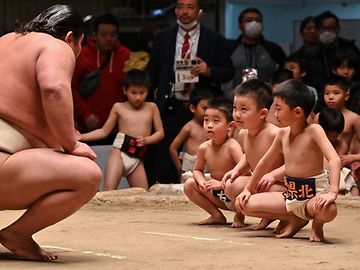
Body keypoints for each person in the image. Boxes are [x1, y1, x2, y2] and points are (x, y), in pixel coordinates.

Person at [0, 5, 102, 261]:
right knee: (87, 174)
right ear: (70, 37)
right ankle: (16, 234)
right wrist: (71, 143)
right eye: (80, 45)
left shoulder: (4, 42)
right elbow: (54, 88)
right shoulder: (55, 46)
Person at [236, 79, 341, 242]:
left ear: (297, 112)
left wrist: (333, 192)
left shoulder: (314, 130)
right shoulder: (282, 134)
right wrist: (247, 189)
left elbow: (334, 159)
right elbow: (264, 163)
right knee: (244, 204)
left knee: (329, 209)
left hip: (313, 196)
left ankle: (317, 225)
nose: (275, 114)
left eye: (278, 109)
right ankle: (296, 219)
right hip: (289, 195)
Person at [146, 0, 234, 185]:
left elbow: (228, 71)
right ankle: (165, 195)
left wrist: (209, 70)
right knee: (165, 155)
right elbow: (151, 73)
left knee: (203, 151)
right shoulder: (164, 37)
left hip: (203, 108)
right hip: (171, 105)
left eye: (190, 7)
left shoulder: (214, 38)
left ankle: (202, 188)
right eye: (180, 6)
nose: (184, 11)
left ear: (200, 12)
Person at [79, 69, 164, 190]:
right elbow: (104, 131)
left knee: (143, 195)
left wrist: (147, 140)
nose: (138, 97)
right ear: (125, 90)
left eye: (142, 92)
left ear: (148, 90)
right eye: (133, 92)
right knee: (109, 190)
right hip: (119, 153)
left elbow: (160, 133)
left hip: (137, 157)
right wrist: (82, 137)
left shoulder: (152, 107)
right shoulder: (119, 107)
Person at [222, 79, 285, 229]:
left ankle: (286, 216)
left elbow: (294, 162)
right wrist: (236, 170)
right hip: (259, 183)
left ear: (262, 113)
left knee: (261, 191)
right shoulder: (244, 133)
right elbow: (249, 156)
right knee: (231, 186)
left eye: (243, 109)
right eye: (235, 108)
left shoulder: (275, 133)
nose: (236, 114)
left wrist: (273, 176)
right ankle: (268, 216)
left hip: (282, 186)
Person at [184, 97, 243, 225]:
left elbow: (246, 174)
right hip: (218, 195)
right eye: (206, 120)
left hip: (236, 195)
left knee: (236, 185)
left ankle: (239, 217)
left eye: (216, 121)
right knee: (189, 184)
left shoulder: (233, 146)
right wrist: (201, 182)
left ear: (230, 126)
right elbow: (197, 170)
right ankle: (216, 215)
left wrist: (223, 184)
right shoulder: (204, 148)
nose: (209, 125)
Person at [72, 13, 131, 142]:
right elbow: (71, 88)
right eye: (103, 35)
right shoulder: (82, 55)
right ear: (94, 35)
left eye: (112, 34)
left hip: (120, 128)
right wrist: (86, 114)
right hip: (88, 127)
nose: (108, 39)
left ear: (117, 35)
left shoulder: (127, 56)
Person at [222, 7, 287, 100]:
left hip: (265, 99)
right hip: (233, 99)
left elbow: (283, 73)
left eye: (258, 20)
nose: (254, 23)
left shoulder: (273, 49)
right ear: (240, 26)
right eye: (249, 20)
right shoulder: (228, 48)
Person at [301, 11, 360, 106]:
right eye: (323, 28)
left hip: (351, 97)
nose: (327, 31)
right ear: (318, 29)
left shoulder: (350, 48)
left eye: (331, 28)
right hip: (322, 99)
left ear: (338, 29)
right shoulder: (310, 54)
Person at [169, 89, 212, 182]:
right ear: (193, 108)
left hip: (208, 164)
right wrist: (179, 166)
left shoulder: (212, 126)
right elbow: (173, 148)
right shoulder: (189, 127)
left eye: (209, 108)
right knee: (187, 189)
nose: (207, 112)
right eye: (204, 108)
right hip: (190, 164)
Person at [318, 108, 359, 196]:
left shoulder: (341, 144)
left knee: (352, 186)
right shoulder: (315, 142)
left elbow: (339, 164)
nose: (332, 138)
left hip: (336, 172)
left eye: (336, 135)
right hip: (318, 174)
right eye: (329, 135)